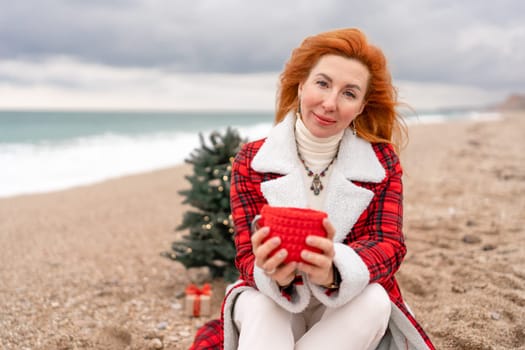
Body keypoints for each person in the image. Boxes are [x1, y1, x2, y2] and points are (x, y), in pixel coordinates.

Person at [190, 28, 435, 350]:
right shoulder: (251, 159)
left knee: (376, 299)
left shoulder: (381, 161)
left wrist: (333, 270)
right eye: (322, 83)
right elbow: (246, 256)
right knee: (261, 305)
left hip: (342, 302)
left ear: (362, 106)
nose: (330, 103)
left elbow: (388, 244)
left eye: (349, 93)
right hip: (275, 296)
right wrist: (272, 273)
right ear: (301, 84)